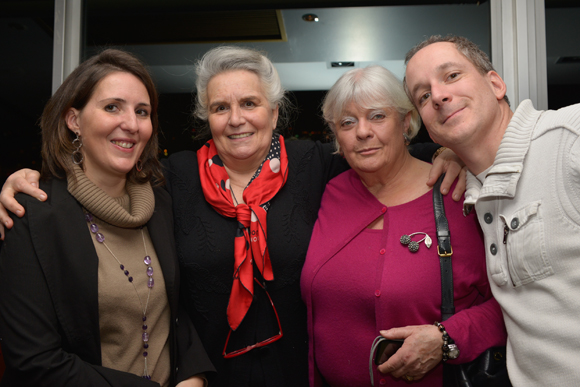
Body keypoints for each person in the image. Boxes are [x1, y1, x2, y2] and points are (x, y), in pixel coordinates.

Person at [0, 46, 466, 387]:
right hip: (203, 378)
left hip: (300, 375)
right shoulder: (173, 178)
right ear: (206, 116)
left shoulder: (314, 164)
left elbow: (392, 151)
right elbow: (105, 181)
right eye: (221, 107)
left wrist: (452, 152)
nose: (236, 118)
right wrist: (27, 179)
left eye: (249, 104)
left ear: (273, 110)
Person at [0, 49, 214, 387]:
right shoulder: (33, 215)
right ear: (74, 121)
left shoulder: (161, 203)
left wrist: (193, 374)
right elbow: (33, 359)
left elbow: (173, 312)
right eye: (112, 107)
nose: (130, 124)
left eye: (142, 112)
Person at [301, 65, 506, 387]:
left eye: (378, 116)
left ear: (406, 121)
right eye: (347, 122)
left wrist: (446, 338)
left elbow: (516, 303)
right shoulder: (328, 193)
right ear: (335, 134)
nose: (363, 132)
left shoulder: (456, 194)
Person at [404, 34, 580, 387]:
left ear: (496, 83)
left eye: (452, 76)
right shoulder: (474, 193)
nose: (438, 95)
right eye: (423, 95)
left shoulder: (569, 140)